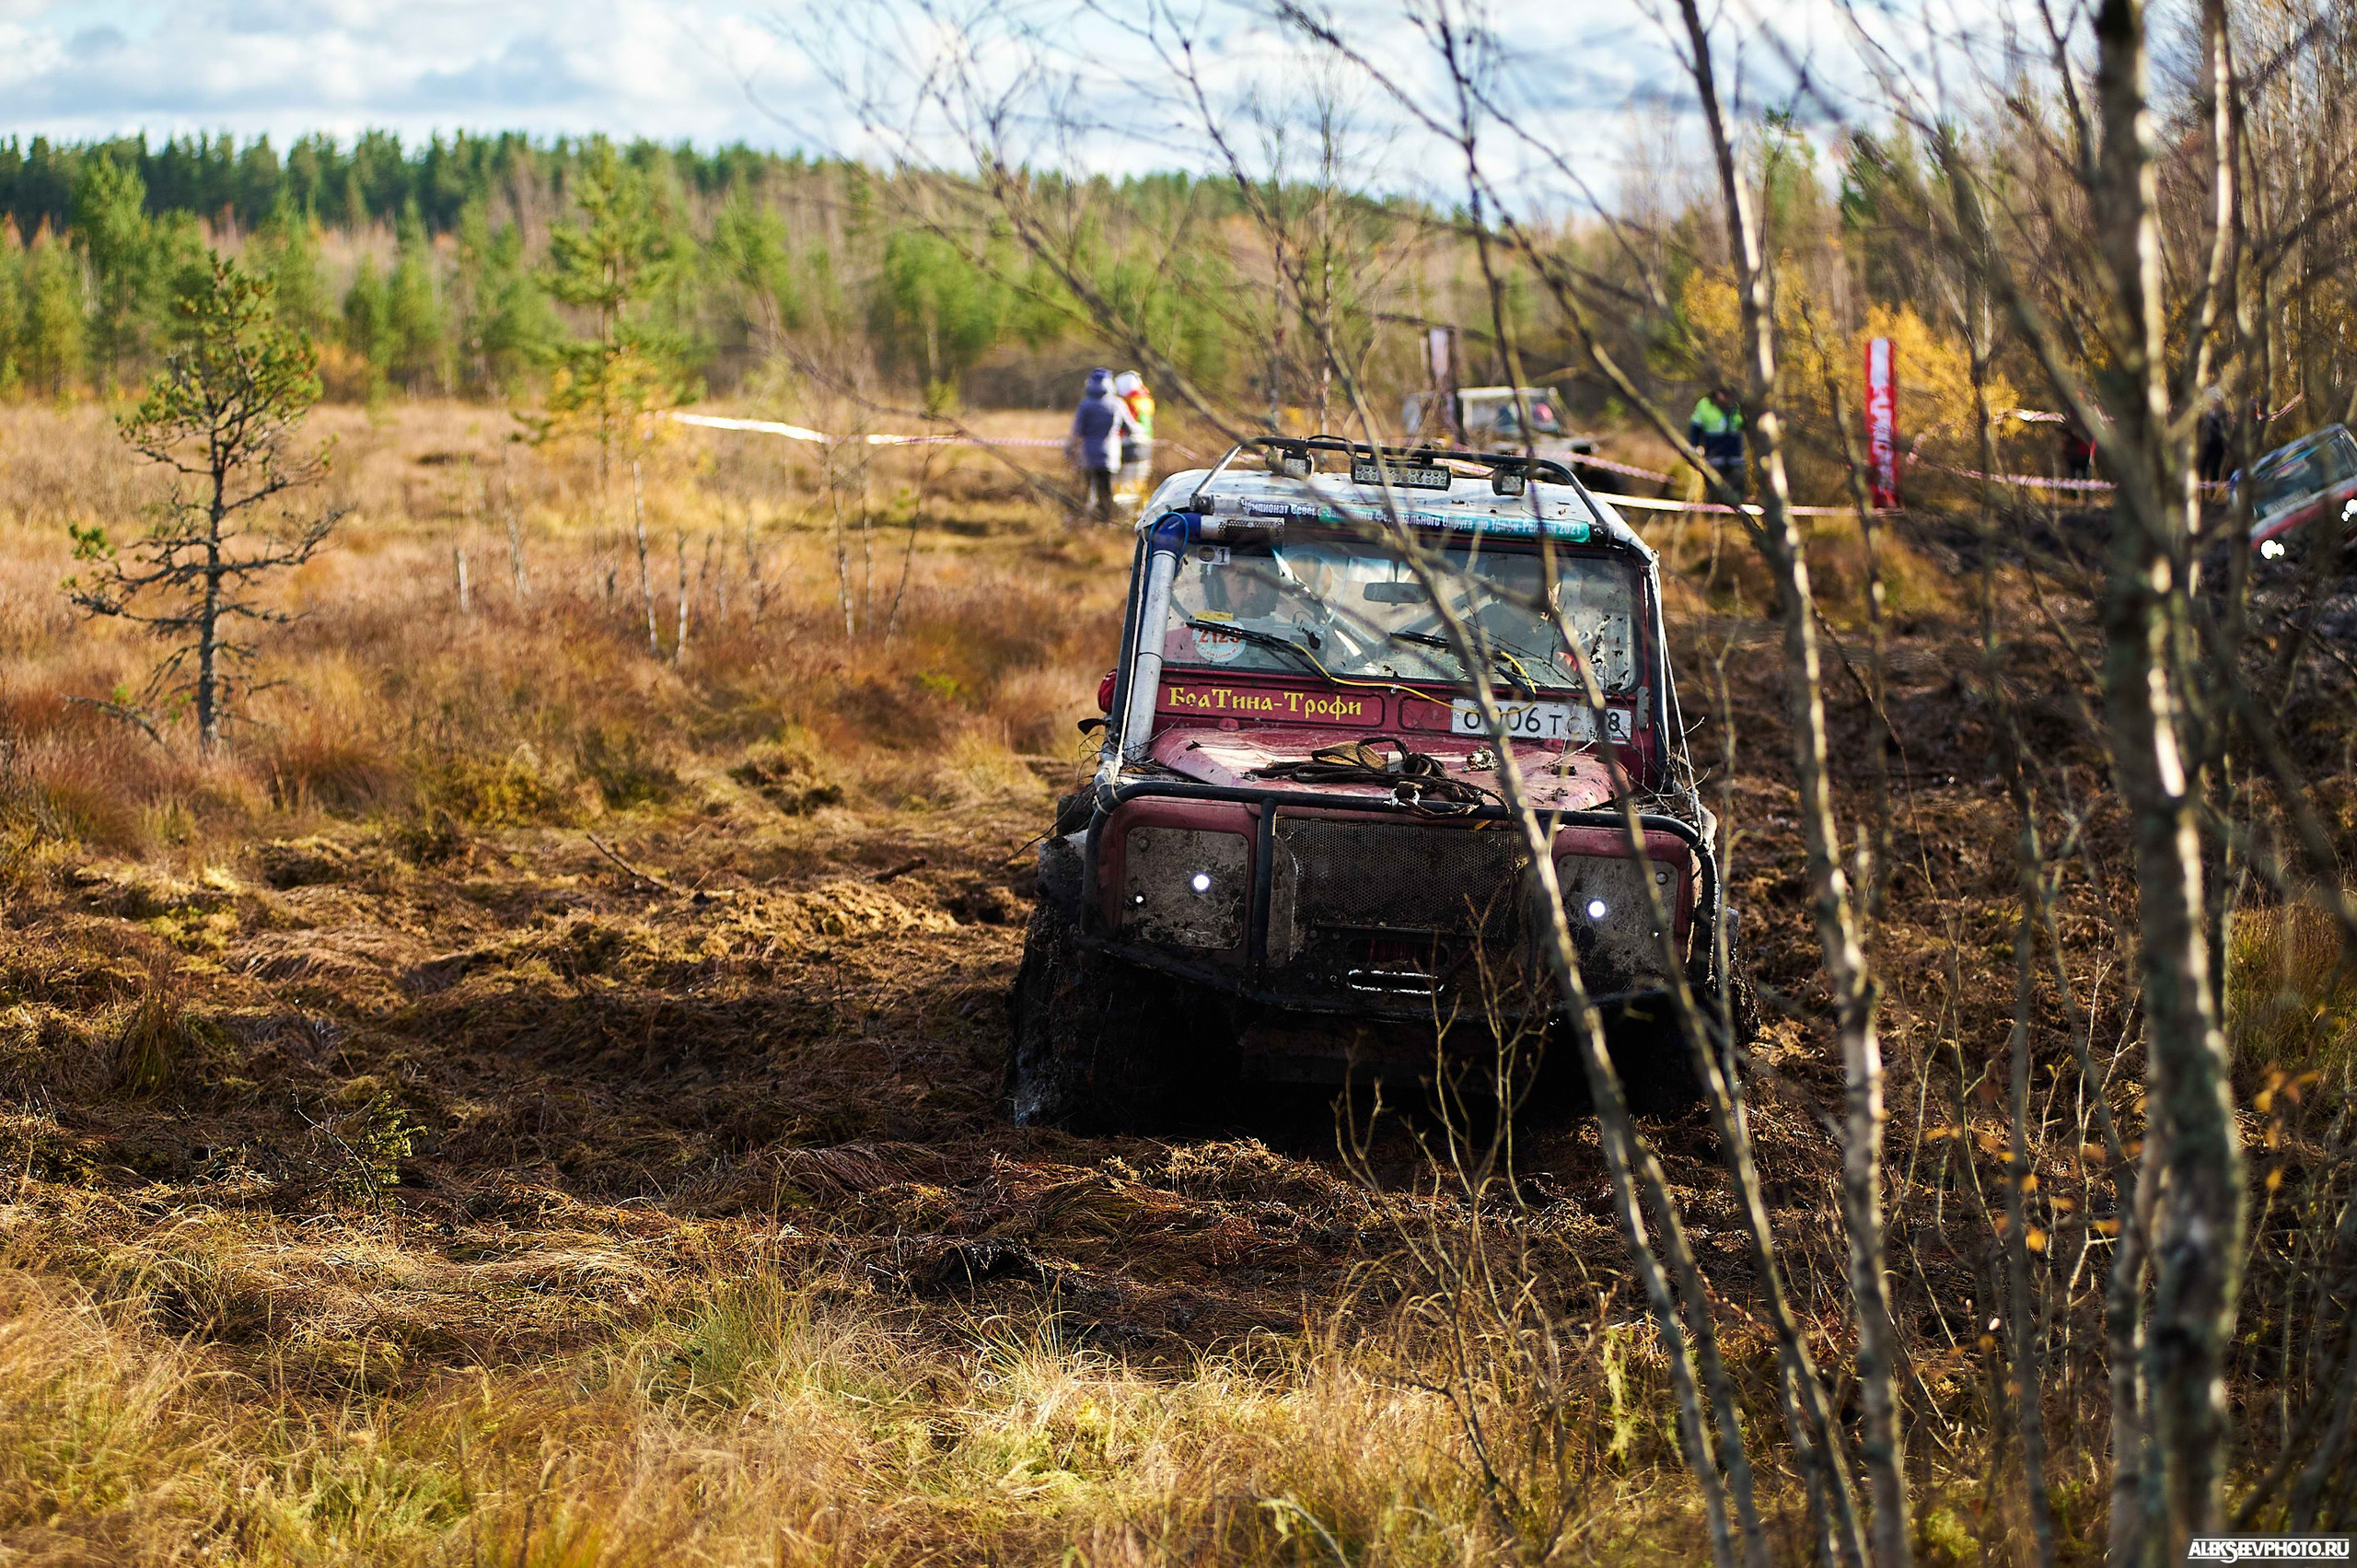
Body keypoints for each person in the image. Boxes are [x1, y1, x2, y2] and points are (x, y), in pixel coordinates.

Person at [1066, 367, 1136, 524]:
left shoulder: (1086, 405)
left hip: (1088, 455)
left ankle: (1082, 522)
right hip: (1110, 455)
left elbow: (1077, 431)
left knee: (1086, 489)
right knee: (1105, 490)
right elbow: (1131, 428)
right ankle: (1106, 521)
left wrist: (1069, 450)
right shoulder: (1118, 403)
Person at [1688, 384, 1747, 495]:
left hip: (1735, 458)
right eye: (1723, 394)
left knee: (1737, 491)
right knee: (1715, 492)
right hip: (1714, 457)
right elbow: (1695, 429)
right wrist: (1695, 447)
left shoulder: (1738, 405)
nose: (1725, 398)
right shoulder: (1705, 405)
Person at [1113, 370, 1155, 506]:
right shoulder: (1146, 401)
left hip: (1128, 448)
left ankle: (1125, 515)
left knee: (1124, 485)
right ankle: (1141, 512)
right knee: (1140, 484)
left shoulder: (1126, 403)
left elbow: (1123, 426)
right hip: (1146, 448)